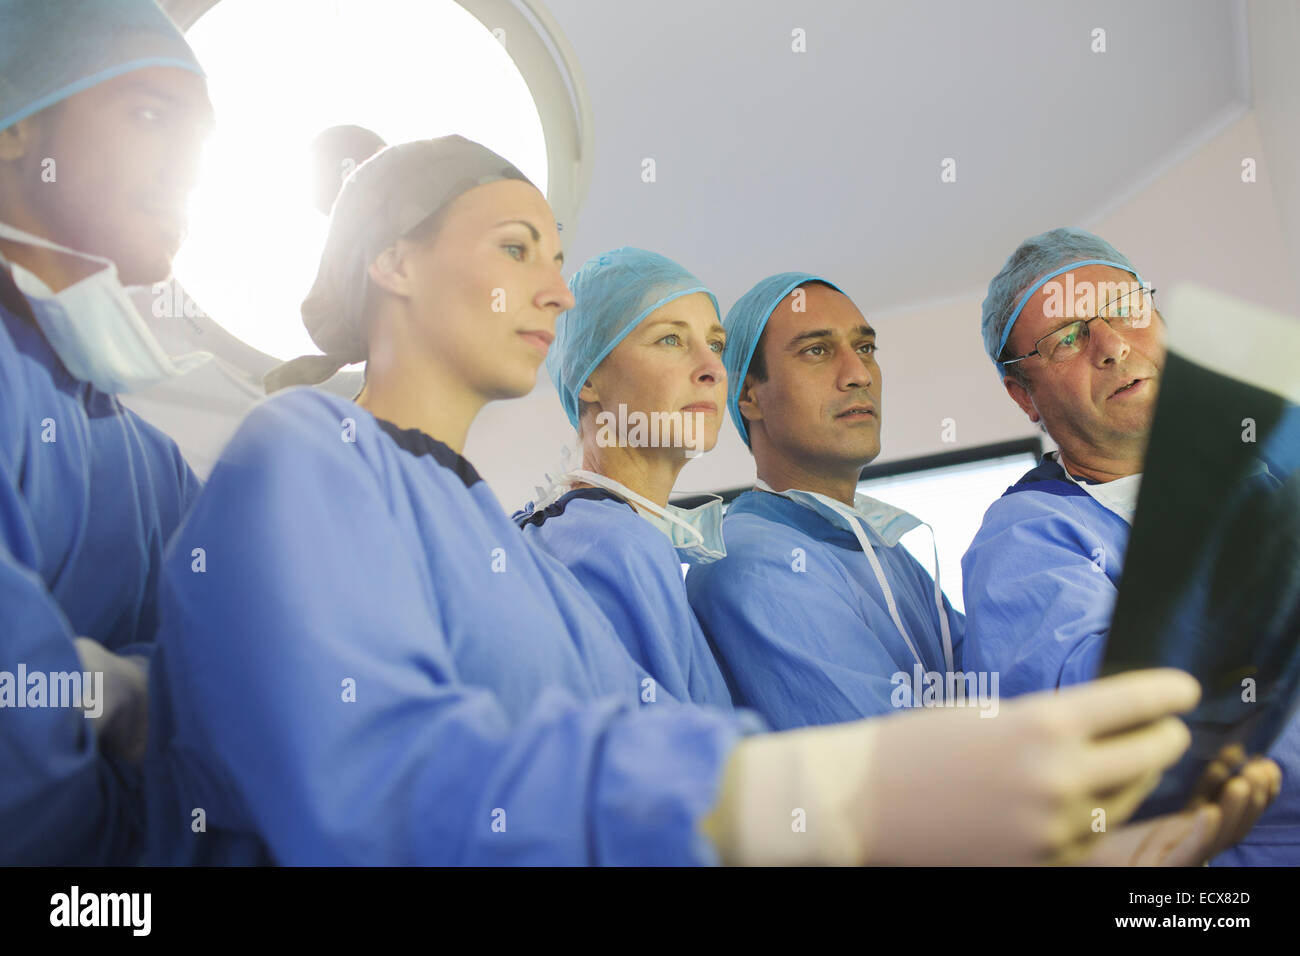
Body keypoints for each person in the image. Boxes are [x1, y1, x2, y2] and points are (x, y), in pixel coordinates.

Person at [964, 226, 1294, 865]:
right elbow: (1112, 729)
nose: (1111, 345)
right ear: (1022, 395)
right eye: (1066, 337)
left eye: (1125, 311)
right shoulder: (1030, 539)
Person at [0, 0, 213, 864]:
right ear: (16, 123)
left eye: (200, 145)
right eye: (151, 116)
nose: (185, 170)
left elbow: (237, 702)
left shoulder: (154, 467)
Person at [686, 275, 963, 730]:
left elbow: (984, 678)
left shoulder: (879, 549)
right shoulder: (753, 563)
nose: (858, 374)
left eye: (866, 348)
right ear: (746, 394)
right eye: (816, 350)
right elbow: (891, 763)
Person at [515, 247, 732, 708]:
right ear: (588, 376)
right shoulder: (614, 546)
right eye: (670, 339)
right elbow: (664, 767)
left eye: (716, 344)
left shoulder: (566, 531)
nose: (712, 368)